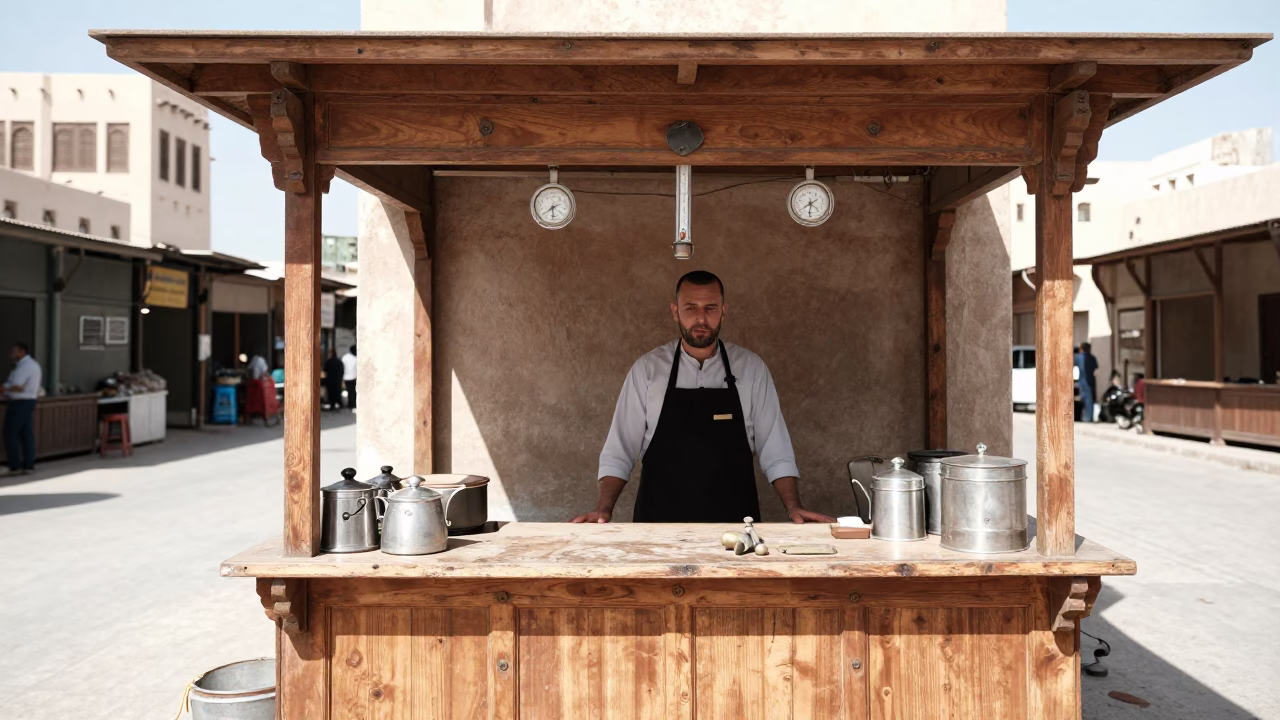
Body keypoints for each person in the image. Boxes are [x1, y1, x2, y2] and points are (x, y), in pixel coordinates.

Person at [573, 271, 835, 524]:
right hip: (658, 528)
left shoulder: (751, 369)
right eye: (691, 308)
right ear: (675, 311)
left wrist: (793, 508)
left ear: (724, 310)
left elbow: (776, 450)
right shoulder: (647, 370)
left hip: (734, 531)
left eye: (710, 307)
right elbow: (620, 451)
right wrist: (603, 510)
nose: (701, 318)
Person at [3, 343, 43, 476]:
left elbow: (18, 386)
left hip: (20, 401)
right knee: (26, 433)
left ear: (21, 352)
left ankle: (14, 465)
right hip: (28, 401)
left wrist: (4, 389)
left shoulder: (25, 367)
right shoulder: (29, 365)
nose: (11, 355)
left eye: (13, 352)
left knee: (10, 432)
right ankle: (28, 464)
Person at [1074, 345, 1095, 423]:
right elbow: (1095, 367)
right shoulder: (1092, 358)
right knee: (1089, 400)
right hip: (1090, 381)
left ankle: (1083, 416)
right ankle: (1088, 417)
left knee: (1083, 399)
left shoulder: (1078, 357)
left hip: (1081, 381)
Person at [342, 345, 357, 410]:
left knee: (350, 391)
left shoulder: (345, 357)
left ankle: (351, 403)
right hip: (353, 377)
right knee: (352, 391)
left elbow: (342, 367)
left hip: (346, 377)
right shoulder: (355, 358)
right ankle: (352, 403)